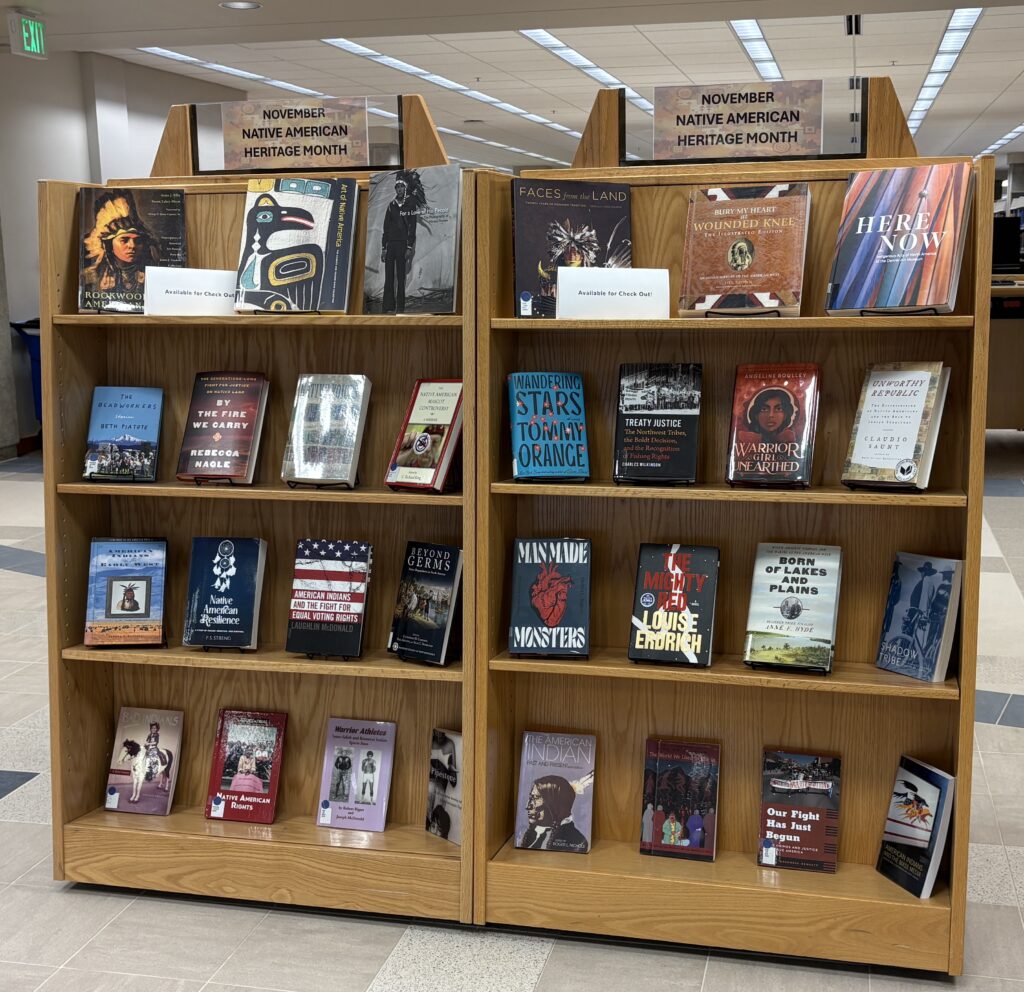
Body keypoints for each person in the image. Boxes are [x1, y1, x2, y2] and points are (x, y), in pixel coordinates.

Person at [518, 775, 589, 853]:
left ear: (554, 804)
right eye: (530, 798)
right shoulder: (531, 835)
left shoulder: (578, 842)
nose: (527, 806)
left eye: (535, 798)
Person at [381, 177, 417, 314]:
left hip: (403, 245)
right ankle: (388, 307)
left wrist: (409, 247)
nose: (400, 189)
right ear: (395, 189)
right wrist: (384, 248)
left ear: (405, 188)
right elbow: (386, 227)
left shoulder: (410, 205)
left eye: (402, 187)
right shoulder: (391, 206)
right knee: (389, 276)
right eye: (397, 187)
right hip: (391, 245)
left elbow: (412, 227)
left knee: (401, 277)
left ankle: (400, 308)